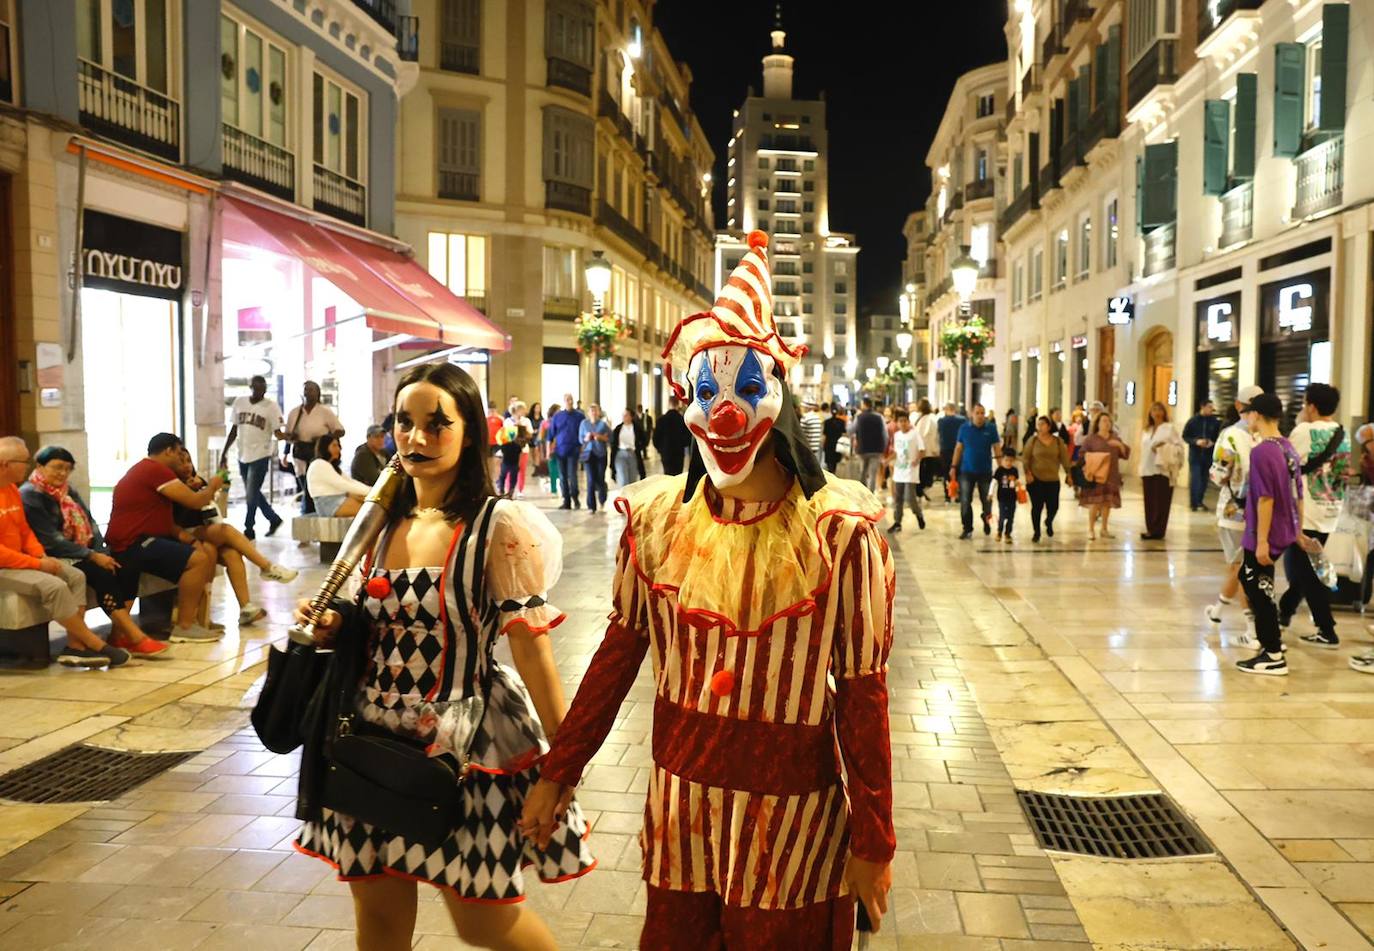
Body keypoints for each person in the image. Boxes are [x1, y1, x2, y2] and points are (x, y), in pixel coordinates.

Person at [522, 232, 894, 948]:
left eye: (749, 390)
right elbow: (616, 656)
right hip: (682, 807)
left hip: (792, 822)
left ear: (781, 397)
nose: (725, 413)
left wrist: (874, 839)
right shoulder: (659, 524)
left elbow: (862, 692)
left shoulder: (839, 534)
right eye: (706, 392)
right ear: (685, 404)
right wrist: (558, 769)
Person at [293, 362, 594, 948]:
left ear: (470, 432)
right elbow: (373, 622)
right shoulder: (379, 524)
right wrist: (334, 621)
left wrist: (564, 764)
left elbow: (533, 652)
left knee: (484, 919)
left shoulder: (497, 525)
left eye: (437, 424)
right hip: (367, 739)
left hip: (462, 748)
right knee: (378, 914)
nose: (417, 437)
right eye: (404, 422)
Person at [21, 446, 169, 656]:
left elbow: (91, 524)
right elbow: (50, 541)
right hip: (54, 555)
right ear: (39, 466)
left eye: (67, 469)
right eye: (57, 467)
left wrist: (102, 552)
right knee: (101, 573)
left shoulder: (67, 491)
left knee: (124, 564)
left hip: (79, 551)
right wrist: (92, 555)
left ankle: (119, 634)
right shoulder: (30, 495)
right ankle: (135, 637)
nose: (62, 473)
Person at [0, 437, 131, 668]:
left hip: (21, 561)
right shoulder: (27, 493)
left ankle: (75, 646)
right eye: (24, 461)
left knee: (76, 576)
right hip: (5, 567)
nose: (28, 467)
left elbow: (24, 531)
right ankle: (96, 643)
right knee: (55, 586)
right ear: (4, 464)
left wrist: (40, 556)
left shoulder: (10, 489)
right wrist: (38, 564)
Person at [105, 433, 225, 643]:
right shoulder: (155, 470)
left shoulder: (144, 469)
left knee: (204, 551)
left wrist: (189, 539)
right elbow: (196, 502)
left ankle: (195, 620)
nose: (181, 459)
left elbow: (166, 520)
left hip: (137, 540)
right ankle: (185, 626)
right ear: (169, 451)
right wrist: (213, 485)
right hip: (134, 543)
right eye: (179, 454)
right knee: (199, 560)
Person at [1235, 393, 1320, 676]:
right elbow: (1298, 493)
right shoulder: (1287, 448)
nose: (1247, 418)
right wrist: (1297, 531)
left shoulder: (1262, 451)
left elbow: (1265, 498)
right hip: (1283, 528)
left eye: (1249, 413)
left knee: (1258, 588)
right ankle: (1272, 646)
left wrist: (1261, 541)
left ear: (1257, 415)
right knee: (1255, 582)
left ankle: (1272, 654)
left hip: (1264, 531)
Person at [172, 449, 297, 627]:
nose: (186, 466)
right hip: (185, 533)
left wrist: (205, 487)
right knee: (225, 530)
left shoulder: (198, 481)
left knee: (232, 553)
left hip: (204, 530)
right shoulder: (173, 486)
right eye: (181, 462)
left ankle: (246, 608)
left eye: (188, 461)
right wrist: (198, 490)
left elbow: (209, 504)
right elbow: (182, 514)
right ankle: (267, 566)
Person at [1279, 383, 1350, 650]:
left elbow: (1287, 463)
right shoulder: (1341, 432)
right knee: (1303, 567)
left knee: (1307, 572)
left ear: (1311, 406)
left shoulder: (1303, 431)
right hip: (1330, 509)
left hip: (1306, 512)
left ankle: (1327, 630)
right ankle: (1284, 612)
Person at [1206, 386, 1262, 644]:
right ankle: (1217, 612)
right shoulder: (1269, 435)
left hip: (1234, 512)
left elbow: (1218, 474)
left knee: (1240, 567)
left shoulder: (1230, 435)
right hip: (1262, 513)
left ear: (1239, 405)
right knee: (1241, 566)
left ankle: (1253, 630)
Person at [220, 374, 286, 539]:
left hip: (261, 455)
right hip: (243, 454)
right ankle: (273, 519)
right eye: (257, 388)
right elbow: (234, 430)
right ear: (251, 388)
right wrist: (224, 452)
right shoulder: (240, 402)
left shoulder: (271, 407)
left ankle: (249, 528)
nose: (260, 392)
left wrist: (289, 437)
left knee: (251, 493)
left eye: (263, 389)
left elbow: (278, 432)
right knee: (253, 492)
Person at [285, 381, 344, 515]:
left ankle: (308, 514)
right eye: (306, 390)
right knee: (306, 487)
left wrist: (323, 438)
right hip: (300, 455)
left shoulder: (325, 411)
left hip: (318, 454)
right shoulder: (295, 412)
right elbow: (287, 435)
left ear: (318, 393)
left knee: (311, 489)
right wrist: (290, 438)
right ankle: (308, 514)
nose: (308, 393)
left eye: (311, 390)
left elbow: (340, 431)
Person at [949, 403, 1002, 540]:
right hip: (967, 471)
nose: (980, 416)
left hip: (985, 471)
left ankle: (986, 517)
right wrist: (953, 466)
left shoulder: (991, 428)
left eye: (982, 413)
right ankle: (967, 528)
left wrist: (1002, 468)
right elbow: (958, 448)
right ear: (972, 414)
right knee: (965, 500)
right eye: (977, 413)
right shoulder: (964, 428)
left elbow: (997, 448)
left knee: (987, 500)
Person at [1077, 412, 1130, 540]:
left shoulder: (1115, 438)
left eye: (1108, 421)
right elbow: (1082, 454)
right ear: (1098, 424)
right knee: (1095, 503)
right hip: (1096, 475)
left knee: (1107, 502)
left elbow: (1125, 454)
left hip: (1111, 475)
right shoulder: (1091, 439)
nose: (1106, 423)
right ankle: (1091, 529)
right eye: (1103, 421)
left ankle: (1104, 529)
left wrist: (1119, 445)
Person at [1023, 415, 1072, 542]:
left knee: (1053, 506)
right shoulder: (1033, 441)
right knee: (1037, 507)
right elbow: (1026, 458)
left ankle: (1049, 521)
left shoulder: (1058, 441)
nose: (1040, 427)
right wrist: (1027, 473)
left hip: (1052, 479)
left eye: (1042, 424)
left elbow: (1064, 458)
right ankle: (1036, 532)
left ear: (1049, 426)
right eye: (1038, 424)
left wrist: (1069, 473)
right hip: (1036, 479)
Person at [1139, 402, 1183, 540]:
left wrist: (1164, 447)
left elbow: (1179, 447)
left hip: (1162, 469)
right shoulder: (1146, 430)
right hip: (1147, 468)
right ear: (1150, 413)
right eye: (1154, 410)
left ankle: (1159, 530)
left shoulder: (1169, 428)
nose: (1157, 413)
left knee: (1161, 501)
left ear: (1164, 413)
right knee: (1149, 501)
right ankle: (1150, 529)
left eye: (1159, 410)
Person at [306, 434, 372, 519]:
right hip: (329, 503)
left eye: (338, 445)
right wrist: (371, 491)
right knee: (370, 511)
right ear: (324, 447)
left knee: (372, 505)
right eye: (334, 446)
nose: (338, 449)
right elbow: (344, 485)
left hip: (340, 497)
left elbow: (351, 482)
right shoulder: (319, 464)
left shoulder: (332, 466)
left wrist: (371, 490)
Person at [887, 408, 925, 532]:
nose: (903, 423)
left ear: (908, 422)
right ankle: (897, 522)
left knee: (910, 497)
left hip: (910, 471)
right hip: (899, 471)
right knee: (898, 498)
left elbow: (922, 450)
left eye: (905, 421)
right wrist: (887, 460)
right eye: (900, 421)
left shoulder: (915, 434)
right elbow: (896, 452)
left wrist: (917, 460)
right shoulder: (897, 435)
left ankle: (918, 514)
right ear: (897, 423)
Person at [1181, 400, 1222, 511]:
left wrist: (1212, 442)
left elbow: (1218, 436)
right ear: (1202, 407)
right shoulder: (1193, 421)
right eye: (1209, 407)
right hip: (1195, 455)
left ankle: (1200, 501)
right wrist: (1196, 441)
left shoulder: (1215, 422)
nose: (1211, 410)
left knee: (1204, 479)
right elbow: (1185, 436)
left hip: (1208, 455)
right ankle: (1194, 503)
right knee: (1196, 478)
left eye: (1212, 407)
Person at [548, 393, 585, 509]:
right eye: (567, 399)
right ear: (564, 401)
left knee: (572, 475)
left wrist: (583, 449)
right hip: (560, 451)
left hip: (574, 450)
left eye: (571, 399)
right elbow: (550, 435)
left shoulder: (580, 416)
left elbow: (583, 433)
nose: (570, 401)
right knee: (562, 476)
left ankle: (575, 498)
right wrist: (548, 451)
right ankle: (566, 501)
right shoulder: (558, 417)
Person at [496, 402, 536, 498]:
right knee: (507, 470)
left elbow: (530, 434)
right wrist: (514, 429)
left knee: (521, 469)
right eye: (522, 409)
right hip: (509, 450)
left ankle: (520, 490)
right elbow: (504, 435)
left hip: (522, 449)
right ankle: (507, 490)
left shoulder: (526, 421)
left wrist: (522, 429)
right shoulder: (508, 421)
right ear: (517, 410)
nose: (524, 412)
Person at [578, 403, 611, 512]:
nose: (593, 413)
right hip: (588, 454)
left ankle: (602, 496)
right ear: (588, 413)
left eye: (595, 410)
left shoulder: (603, 424)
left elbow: (610, 438)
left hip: (601, 454)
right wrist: (586, 438)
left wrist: (600, 437)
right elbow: (580, 439)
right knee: (590, 480)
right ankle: (591, 506)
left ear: (599, 412)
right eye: (591, 411)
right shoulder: (584, 423)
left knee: (600, 478)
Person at [651, 394, 692, 477]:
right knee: (677, 476)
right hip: (678, 453)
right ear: (677, 404)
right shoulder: (682, 419)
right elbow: (688, 438)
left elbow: (655, 438)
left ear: (668, 404)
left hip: (666, 453)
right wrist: (681, 445)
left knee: (667, 475)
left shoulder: (661, 420)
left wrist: (661, 450)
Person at [853, 398, 888, 490]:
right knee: (873, 474)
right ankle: (871, 493)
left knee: (863, 471)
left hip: (862, 449)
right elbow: (885, 434)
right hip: (876, 450)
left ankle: (862, 490)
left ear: (864, 404)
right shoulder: (879, 417)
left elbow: (851, 430)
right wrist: (883, 448)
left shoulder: (859, 417)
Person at [937, 402, 966, 501]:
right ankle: (958, 495)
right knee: (959, 473)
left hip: (945, 449)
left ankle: (948, 495)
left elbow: (939, 434)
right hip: (959, 449)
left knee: (946, 473)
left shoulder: (941, 421)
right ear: (955, 409)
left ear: (946, 410)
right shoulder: (962, 420)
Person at [913, 398, 940, 498]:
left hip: (919, 450)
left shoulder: (917, 419)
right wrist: (935, 450)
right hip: (929, 451)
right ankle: (923, 489)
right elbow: (934, 436)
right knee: (928, 472)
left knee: (920, 472)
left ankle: (919, 491)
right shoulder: (932, 419)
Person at [611, 408, 646, 487]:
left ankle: (630, 495)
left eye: (626, 415)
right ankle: (624, 494)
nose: (624, 417)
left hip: (633, 454)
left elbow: (644, 440)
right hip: (620, 455)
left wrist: (639, 447)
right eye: (623, 415)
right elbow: (613, 444)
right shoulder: (618, 429)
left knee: (632, 481)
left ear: (631, 417)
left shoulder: (637, 428)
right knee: (623, 480)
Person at [993, 449, 1021, 542]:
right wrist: (990, 493)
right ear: (1002, 459)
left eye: (1011, 460)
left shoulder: (1014, 470)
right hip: (1002, 497)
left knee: (1011, 517)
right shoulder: (999, 470)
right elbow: (994, 482)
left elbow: (1015, 482)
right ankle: (999, 532)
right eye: (1006, 460)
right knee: (1002, 516)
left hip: (1012, 497)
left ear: (1014, 460)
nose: (1008, 463)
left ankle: (1008, 533)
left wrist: (1017, 485)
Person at [540, 405, 561, 496]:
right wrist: (543, 449)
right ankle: (553, 489)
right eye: (558, 410)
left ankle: (561, 486)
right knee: (552, 469)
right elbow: (541, 437)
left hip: (560, 447)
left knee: (560, 469)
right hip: (549, 447)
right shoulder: (545, 423)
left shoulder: (561, 421)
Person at [822, 402, 848, 473]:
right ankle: (833, 473)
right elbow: (844, 434)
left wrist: (823, 445)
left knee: (829, 462)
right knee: (834, 462)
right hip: (838, 445)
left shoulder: (827, 422)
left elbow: (824, 435)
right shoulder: (842, 422)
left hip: (828, 445)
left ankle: (831, 474)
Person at [800, 399, 824, 471]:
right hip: (816, 448)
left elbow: (801, 434)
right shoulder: (817, 418)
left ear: (807, 408)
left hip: (807, 448)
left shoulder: (805, 418)